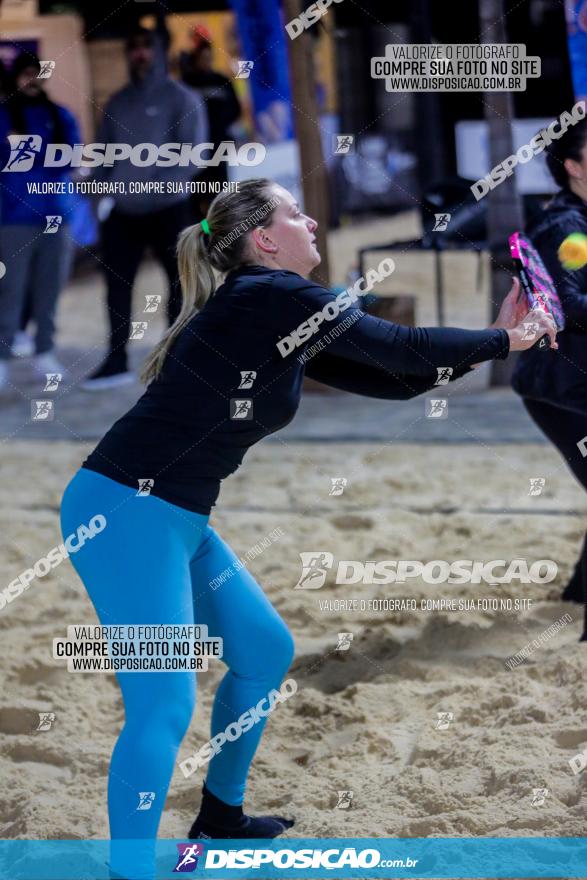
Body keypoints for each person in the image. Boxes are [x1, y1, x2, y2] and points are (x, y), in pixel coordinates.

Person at [60, 179, 556, 880]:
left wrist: (494, 344)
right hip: (122, 513)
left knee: (263, 650)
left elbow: (397, 374)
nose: (312, 219)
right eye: (295, 212)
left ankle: (220, 819)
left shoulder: (275, 311)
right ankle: (130, 871)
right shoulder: (269, 296)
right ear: (264, 239)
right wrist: (509, 336)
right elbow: (404, 344)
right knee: (164, 703)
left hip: (171, 514)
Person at [82, 21, 208, 391]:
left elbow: (193, 155)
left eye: (145, 45)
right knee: (116, 286)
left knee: (180, 284)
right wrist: (96, 195)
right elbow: (104, 155)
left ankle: (177, 359)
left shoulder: (183, 99)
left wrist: (152, 186)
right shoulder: (117, 102)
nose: (138, 53)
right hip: (124, 213)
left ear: (158, 51)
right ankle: (116, 360)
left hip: (169, 208)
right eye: (133, 46)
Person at [512, 116, 587, 639]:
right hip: (562, 386)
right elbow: (572, 305)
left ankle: (579, 593)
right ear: (574, 168)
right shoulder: (567, 227)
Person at [0, 53, 79, 390]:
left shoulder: (61, 116)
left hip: (57, 216)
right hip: (13, 217)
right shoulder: (3, 117)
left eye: (37, 74)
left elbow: (73, 157)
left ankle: (45, 350)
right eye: (25, 74)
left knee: (50, 285)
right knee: (10, 289)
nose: (31, 80)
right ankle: (2, 357)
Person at [180, 26, 241, 214]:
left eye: (209, 57)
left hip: (219, 147)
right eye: (202, 58)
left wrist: (220, 123)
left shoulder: (221, 81)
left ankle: (219, 234)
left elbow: (235, 110)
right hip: (194, 149)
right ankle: (202, 233)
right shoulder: (187, 84)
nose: (206, 61)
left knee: (221, 196)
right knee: (198, 196)